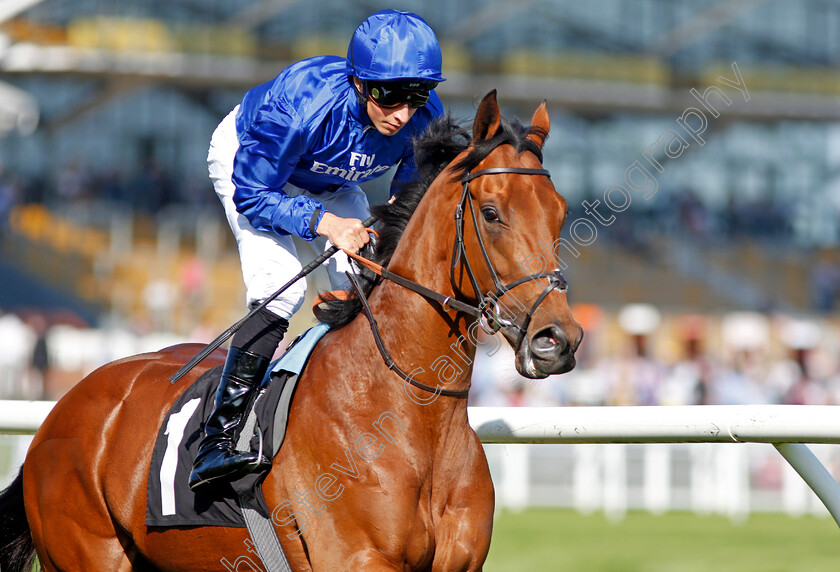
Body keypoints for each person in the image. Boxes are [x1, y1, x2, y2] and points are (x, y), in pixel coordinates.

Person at [189, 9, 445, 490]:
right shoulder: (302, 101)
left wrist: (383, 235)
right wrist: (327, 225)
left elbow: (404, 199)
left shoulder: (421, 120)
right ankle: (216, 442)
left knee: (368, 286)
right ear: (359, 83)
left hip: (329, 181)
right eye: (389, 97)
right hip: (253, 167)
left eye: (416, 97)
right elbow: (253, 193)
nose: (403, 115)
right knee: (279, 288)